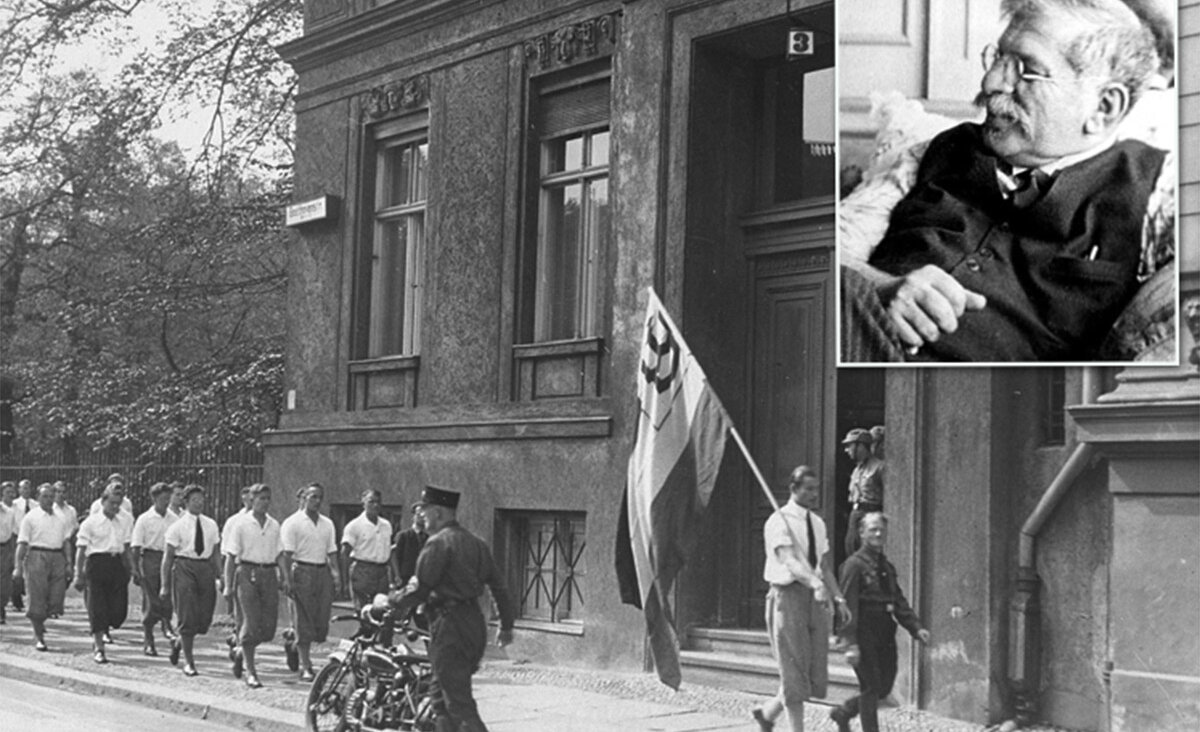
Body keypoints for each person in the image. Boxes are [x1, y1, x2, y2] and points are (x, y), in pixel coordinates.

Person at [840, 0, 1171, 362]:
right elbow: (829, 248)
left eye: (1027, 71)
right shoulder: (931, 151)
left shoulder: (1158, 192)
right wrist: (882, 287)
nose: (991, 82)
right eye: (998, 58)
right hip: (852, 342)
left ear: (1103, 107)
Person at [388, 485, 514, 732]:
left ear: (438, 513)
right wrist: (506, 626)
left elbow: (420, 590)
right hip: (473, 624)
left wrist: (391, 600)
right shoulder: (476, 543)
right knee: (439, 699)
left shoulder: (438, 544)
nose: (421, 515)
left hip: (449, 627)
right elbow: (499, 587)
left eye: (424, 510)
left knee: (458, 704)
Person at [752, 466, 851, 732]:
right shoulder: (778, 521)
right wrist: (815, 583)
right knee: (793, 668)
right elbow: (790, 561)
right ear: (793, 489)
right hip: (788, 597)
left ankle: (766, 714)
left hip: (815, 600)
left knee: (811, 671)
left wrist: (838, 597)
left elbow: (824, 565)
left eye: (816, 489)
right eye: (808, 489)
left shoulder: (817, 523)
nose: (813, 494)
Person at [830, 513, 931, 732]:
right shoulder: (853, 565)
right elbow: (847, 606)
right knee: (871, 686)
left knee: (884, 687)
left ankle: (844, 712)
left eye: (882, 530)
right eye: (873, 529)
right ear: (862, 533)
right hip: (863, 629)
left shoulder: (887, 566)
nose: (878, 534)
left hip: (884, 630)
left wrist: (916, 627)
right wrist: (850, 642)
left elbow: (898, 600)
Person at [222, 483, 288, 689]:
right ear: (252, 500)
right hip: (247, 573)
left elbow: (280, 554)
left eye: (268, 498)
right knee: (250, 622)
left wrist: (285, 577)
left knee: (268, 629)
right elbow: (231, 557)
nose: (265, 502)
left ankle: (241, 650)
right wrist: (227, 585)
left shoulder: (274, 525)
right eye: (261, 499)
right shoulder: (240, 524)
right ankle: (251, 671)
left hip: (268, 574)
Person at [160, 484, 223, 677]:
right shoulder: (176, 526)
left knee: (203, 621)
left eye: (202, 500)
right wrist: (165, 585)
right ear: (186, 502)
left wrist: (221, 575)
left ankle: (179, 641)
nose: (199, 503)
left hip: (205, 568)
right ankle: (189, 661)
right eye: (195, 500)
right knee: (186, 614)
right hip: (184, 567)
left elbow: (215, 553)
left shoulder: (211, 524)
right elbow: (168, 557)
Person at [280, 482, 340, 681]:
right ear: (304, 497)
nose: (317, 501)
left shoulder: (327, 523)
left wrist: (336, 574)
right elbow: (287, 555)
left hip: (321, 573)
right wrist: (287, 579)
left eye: (320, 497)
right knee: (303, 619)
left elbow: (331, 552)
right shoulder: (292, 522)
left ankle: (292, 640)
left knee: (320, 624)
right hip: (301, 570)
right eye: (313, 496)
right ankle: (306, 666)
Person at [74, 487, 134, 664]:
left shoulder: (124, 521)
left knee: (118, 612)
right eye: (112, 503)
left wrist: (132, 568)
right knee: (97, 606)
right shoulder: (90, 523)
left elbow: (127, 549)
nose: (115, 507)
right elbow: (81, 550)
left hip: (117, 565)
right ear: (103, 502)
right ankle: (99, 646)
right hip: (96, 565)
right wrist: (79, 574)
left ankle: (106, 628)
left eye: (118, 504)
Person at [12, 483, 73, 650]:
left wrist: (69, 563)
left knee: (55, 599)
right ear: (38, 498)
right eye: (44, 496)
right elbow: (22, 543)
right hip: (37, 556)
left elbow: (66, 542)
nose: (48, 499)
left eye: (51, 496)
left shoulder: (61, 517)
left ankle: (40, 619)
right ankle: (39, 635)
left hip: (57, 557)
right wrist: (17, 567)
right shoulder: (31, 517)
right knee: (37, 596)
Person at [131, 482, 179, 655]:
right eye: (163, 499)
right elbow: (136, 546)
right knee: (151, 600)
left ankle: (167, 627)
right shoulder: (144, 519)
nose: (166, 502)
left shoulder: (174, 519)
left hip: (169, 559)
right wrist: (135, 568)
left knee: (167, 596)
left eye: (168, 498)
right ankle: (148, 639)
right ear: (154, 499)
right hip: (150, 559)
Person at [341, 488, 397, 609]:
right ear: (363, 502)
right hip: (363, 572)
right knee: (364, 611)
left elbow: (390, 550)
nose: (375, 505)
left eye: (378, 502)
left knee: (381, 610)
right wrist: (345, 582)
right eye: (371, 502)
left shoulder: (386, 525)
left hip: (382, 573)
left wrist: (395, 575)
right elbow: (345, 553)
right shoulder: (354, 525)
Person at [221, 485, 254, 658]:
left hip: (257, 569)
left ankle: (237, 639)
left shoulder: (266, 521)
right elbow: (226, 551)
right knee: (240, 609)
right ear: (243, 498)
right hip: (238, 567)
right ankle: (240, 643)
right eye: (248, 497)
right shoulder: (234, 521)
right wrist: (225, 578)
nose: (251, 500)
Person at [842, 428, 885, 558]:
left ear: (860, 446)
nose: (847, 450)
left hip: (870, 515)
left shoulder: (880, 467)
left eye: (850, 446)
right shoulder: (857, 470)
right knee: (852, 551)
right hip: (855, 516)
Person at [10, 478, 34, 612]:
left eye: (28, 488)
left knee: (30, 569)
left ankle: (30, 597)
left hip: (32, 540)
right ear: (19, 490)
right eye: (23, 488)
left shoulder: (35, 505)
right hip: (17, 538)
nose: (26, 490)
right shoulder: (14, 505)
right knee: (16, 567)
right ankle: (16, 599)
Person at [392, 502, 428, 588]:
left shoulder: (428, 537)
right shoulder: (403, 535)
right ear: (413, 517)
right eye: (419, 514)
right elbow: (394, 556)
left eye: (424, 515)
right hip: (405, 578)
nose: (422, 517)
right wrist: (397, 576)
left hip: (422, 578)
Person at [0, 481, 17, 624]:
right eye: (7, 492)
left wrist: (12, 553)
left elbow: (12, 533)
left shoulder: (10, 512)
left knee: (4, 581)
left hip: (4, 548)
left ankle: (1, 607)